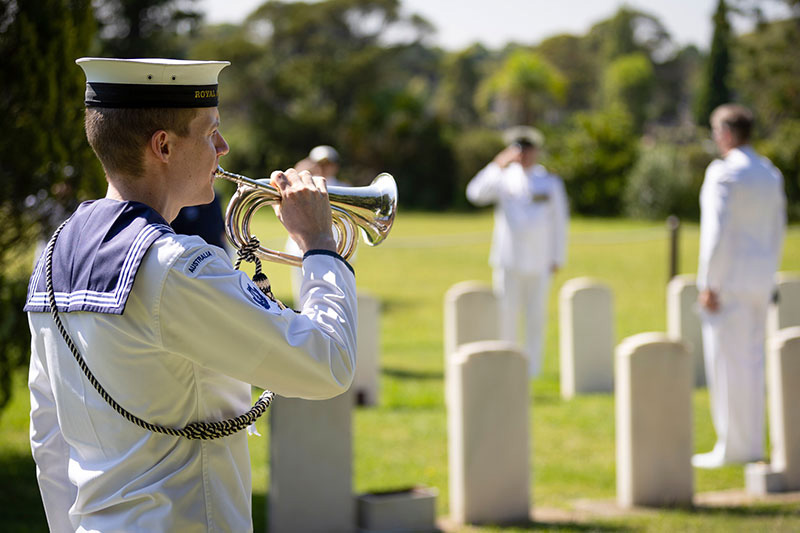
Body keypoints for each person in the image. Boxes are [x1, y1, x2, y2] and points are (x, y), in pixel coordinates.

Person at [24, 57, 357, 532]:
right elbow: (328, 362)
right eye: (210, 132)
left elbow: (49, 436)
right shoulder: (178, 265)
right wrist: (321, 249)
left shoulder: (54, 253)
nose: (223, 147)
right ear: (162, 145)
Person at [692, 103, 786, 469]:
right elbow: (777, 229)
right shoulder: (769, 172)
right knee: (751, 362)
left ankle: (733, 447)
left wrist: (709, 283)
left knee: (727, 364)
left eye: (717, 132)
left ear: (727, 133)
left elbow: (716, 233)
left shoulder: (723, 173)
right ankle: (749, 444)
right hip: (760, 280)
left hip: (729, 282)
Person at [466, 126, 568, 377]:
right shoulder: (502, 177)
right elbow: (475, 193)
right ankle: (507, 366)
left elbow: (559, 222)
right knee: (506, 316)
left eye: (529, 150)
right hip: (508, 260)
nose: (524, 156)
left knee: (536, 318)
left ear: (537, 152)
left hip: (540, 261)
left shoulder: (549, 182)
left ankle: (533, 370)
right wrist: (496, 164)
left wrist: (557, 257)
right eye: (519, 151)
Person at [287, 145, 347, 303]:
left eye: (328, 163)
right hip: (299, 251)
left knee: (332, 298)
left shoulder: (344, 188)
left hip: (335, 249)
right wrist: (297, 172)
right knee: (303, 300)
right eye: (319, 163)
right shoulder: (300, 188)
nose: (323, 168)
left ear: (335, 166)